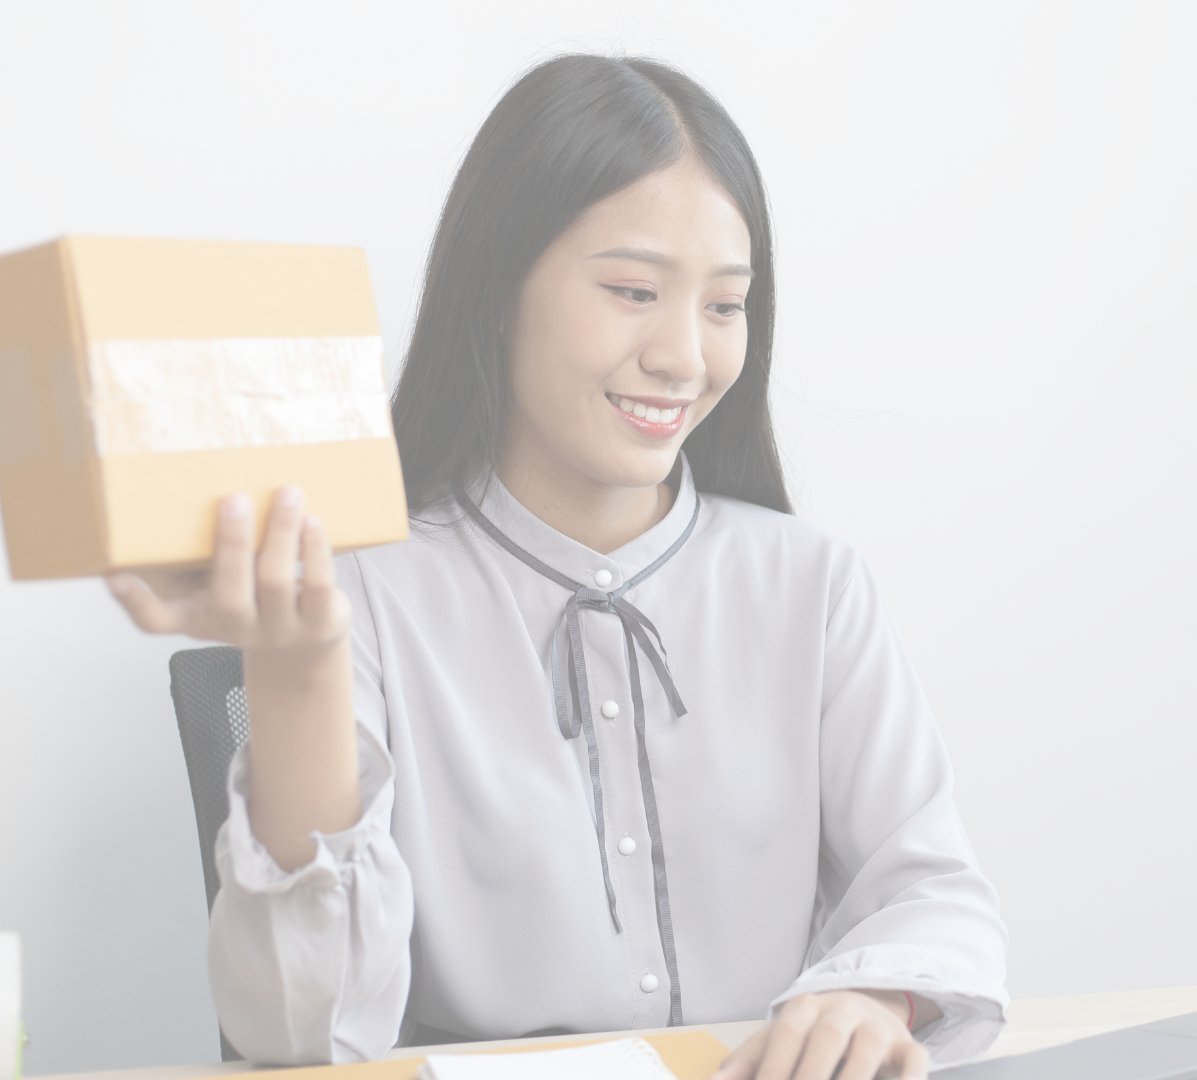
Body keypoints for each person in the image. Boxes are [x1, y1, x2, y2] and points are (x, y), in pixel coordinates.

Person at [106, 54, 1008, 1080]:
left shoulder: (813, 584)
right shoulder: (361, 589)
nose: (683, 354)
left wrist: (866, 993)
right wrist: (299, 666)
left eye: (725, 306)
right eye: (633, 290)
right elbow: (298, 1039)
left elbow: (936, 891)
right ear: (498, 288)